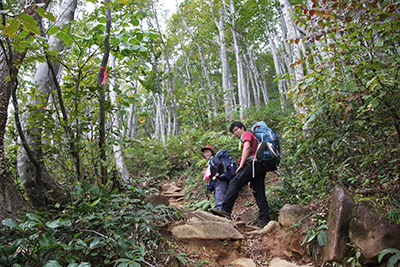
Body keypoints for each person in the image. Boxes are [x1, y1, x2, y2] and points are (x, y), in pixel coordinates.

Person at [210, 122, 271, 228]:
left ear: (242, 128)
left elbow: (247, 148)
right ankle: (264, 219)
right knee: (259, 193)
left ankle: (225, 210)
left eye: (236, 130)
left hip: (253, 164)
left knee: (234, 182)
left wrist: (241, 165)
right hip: (260, 167)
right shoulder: (252, 137)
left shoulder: (247, 133)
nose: (235, 133)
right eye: (233, 132)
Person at [201, 146, 229, 211]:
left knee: (220, 199)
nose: (206, 154)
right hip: (217, 182)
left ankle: (221, 214)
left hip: (221, 180)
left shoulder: (214, 158)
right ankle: (219, 212)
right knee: (218, 198)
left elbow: (219, 164)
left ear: (212, 152)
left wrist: (218, 174)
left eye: (208, 152)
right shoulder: (211, 161)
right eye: (205, 153)